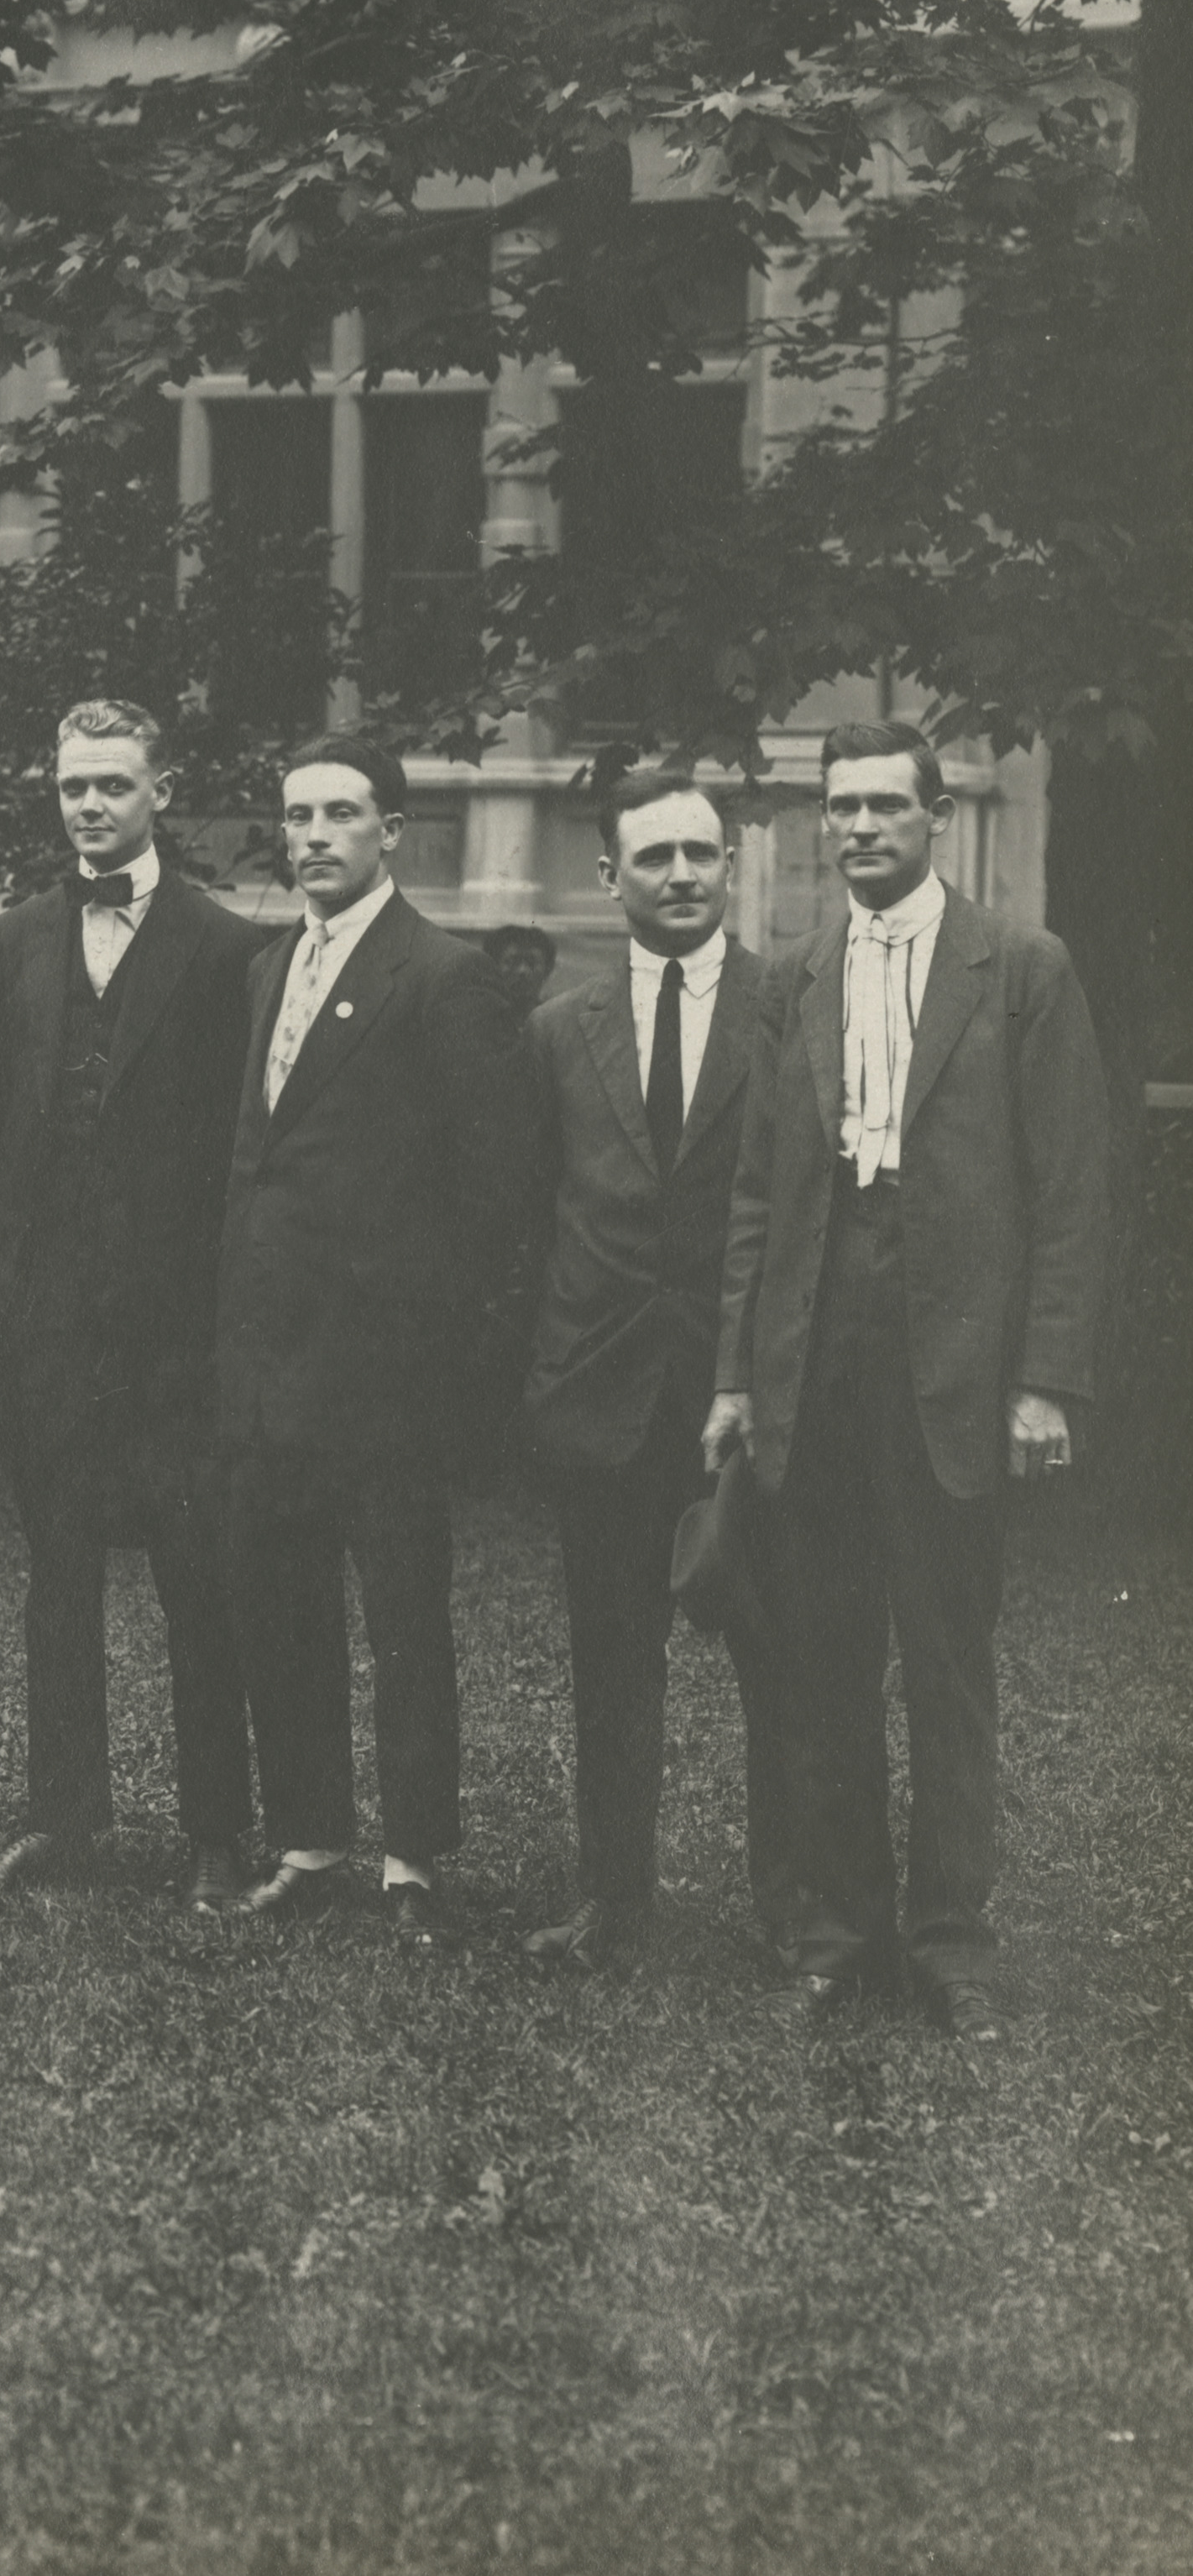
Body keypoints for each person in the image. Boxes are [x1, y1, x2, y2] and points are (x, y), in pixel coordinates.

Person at [709, 720, 1107, 2039]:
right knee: (820, 1659)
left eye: (885, 804)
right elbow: (759, 1197)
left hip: (952, 1360)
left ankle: (953, 1944)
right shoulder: (794, 976)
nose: (860, 827)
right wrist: (736, 1375)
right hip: (815, 1357)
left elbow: (1066, 1192)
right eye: (840, 807)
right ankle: (840, 1933)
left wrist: (1042, 1377)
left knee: (946, 1663)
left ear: (934, 816)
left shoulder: (1019, 970)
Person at [216, 731, 524, 1946]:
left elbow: (493, 1192)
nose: (313, 837)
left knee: (402, 1616)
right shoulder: (262, 968)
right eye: (296, 815)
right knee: (277, 1601)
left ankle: (411, 1858)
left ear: (389, 831)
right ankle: (305, 1837)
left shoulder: (442, 977)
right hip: (263, 1358)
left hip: (384, 1371)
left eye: (340, 814)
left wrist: (430, 1350)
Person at [0, 701, 264, 1906]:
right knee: (57, 1582)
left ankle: (212, 1832)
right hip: (49, 1329)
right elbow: (4, 1137)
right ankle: (64, 1821)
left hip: (172, 1336)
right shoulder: (18, 939)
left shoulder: (227, 944)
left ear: (158, 792)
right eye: (72, 785)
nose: (90, 804)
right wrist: (4, 1295)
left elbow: (235, 1149)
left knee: (199, 1581)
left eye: (113, 785)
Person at [514, 768, 785, 1971]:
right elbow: (527, 1216)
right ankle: (611, 1897)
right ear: (605, 874)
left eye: (698, 852)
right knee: (609, 1657)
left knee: (780, 1649)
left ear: (729, 865)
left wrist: (761, 1367)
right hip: (604, 1388)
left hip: (746, 1391)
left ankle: (792, 1904)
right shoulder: (558, 1026)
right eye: (653, 854)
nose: (678, 873)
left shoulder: (788, 1009)